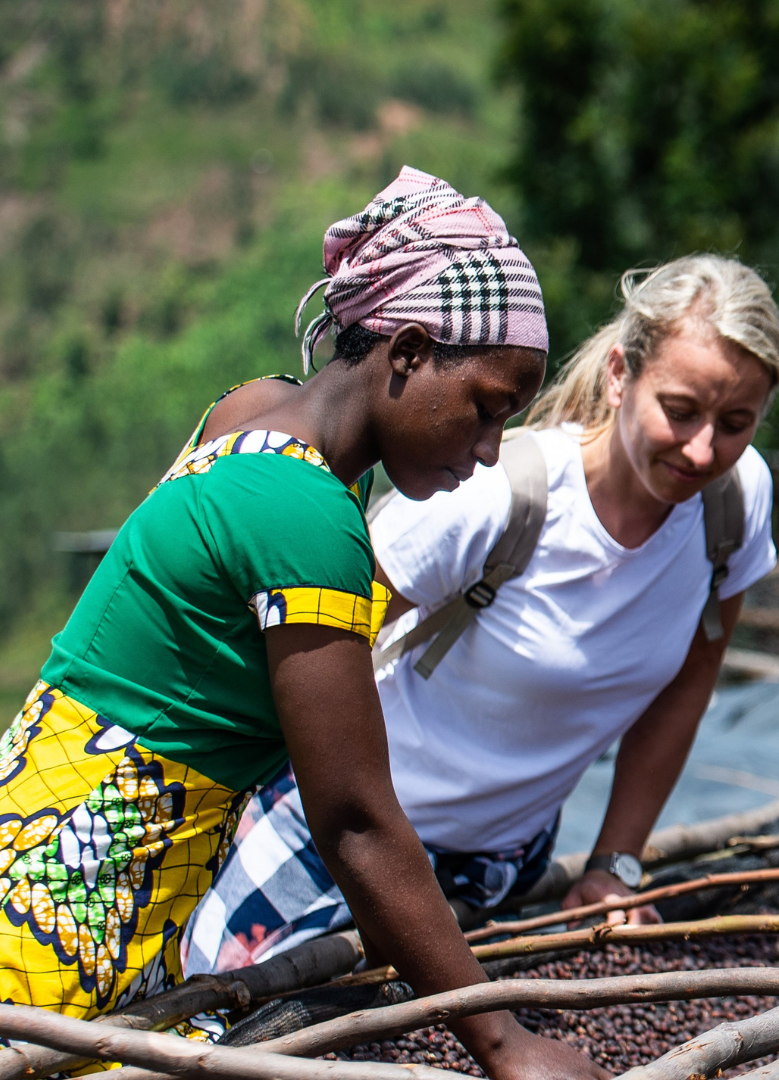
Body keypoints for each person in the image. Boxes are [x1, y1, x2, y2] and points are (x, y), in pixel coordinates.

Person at [0, 165, 608, 1080]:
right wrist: (502, 1041)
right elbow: (355, 818)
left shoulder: (255, 413)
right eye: (486, 409)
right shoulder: (303, 513)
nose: (488, 452)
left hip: (43, 841)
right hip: (68, 906)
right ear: (405, 355)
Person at [183, 253, 779, 974]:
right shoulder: (496, 499)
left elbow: (690, 679)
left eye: (735, 423)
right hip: (336, 837)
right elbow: (297, 652)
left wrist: (616, 863)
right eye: (681, 411)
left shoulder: (734, 505)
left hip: (499, 865)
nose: (703, 448)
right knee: (214, 1009)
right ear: (621, 375)